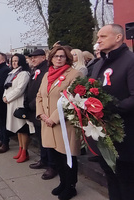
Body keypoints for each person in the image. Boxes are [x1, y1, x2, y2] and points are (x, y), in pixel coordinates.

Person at [91, 24, 134, 200]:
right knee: (110, 177)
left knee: (127, 182)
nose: (98, 40)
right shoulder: (99, 63)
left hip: (125, 134)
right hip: (103, 134)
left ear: (118, 38)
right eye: (98, 37)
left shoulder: (130, 61)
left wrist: (108, 110)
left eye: (103, 36)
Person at [36, 46, 82, 200]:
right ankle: (63, 182)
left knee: (67, 156)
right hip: (47, 122)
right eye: (56, 56)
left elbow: (71, 98)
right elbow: (39, 96)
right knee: (55, 156)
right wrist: (41, 114)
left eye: (62, 56)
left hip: (63, 124)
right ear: (51, 58)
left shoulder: (74, 74)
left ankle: (71, 186)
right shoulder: (47, 74)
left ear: (67, 58)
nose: (59, 59)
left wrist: (53, 118)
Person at [25, 49, 58, 180]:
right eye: (31, 57)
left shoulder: (47, 70)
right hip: (35, 110)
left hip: (43, 110)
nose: (32, 59)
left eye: (35, 57)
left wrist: (32, 104)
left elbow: (43, 91)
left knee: (48, 140)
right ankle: (43, 159)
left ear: (44, 57)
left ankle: (52, 165)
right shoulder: (36, 70)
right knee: (41, 138)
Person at [3, 53, 31, 163]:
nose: (14, 63)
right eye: (13, 61)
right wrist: (5, 97)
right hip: (10, 102)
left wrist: (8, 97)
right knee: (17, 129)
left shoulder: (24, 73)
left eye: (16, 61)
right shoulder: (12, 73)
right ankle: (20, 149)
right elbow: (7, 87)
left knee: (22, 128)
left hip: (18, 103)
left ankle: (25, 151)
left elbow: (20, 89)